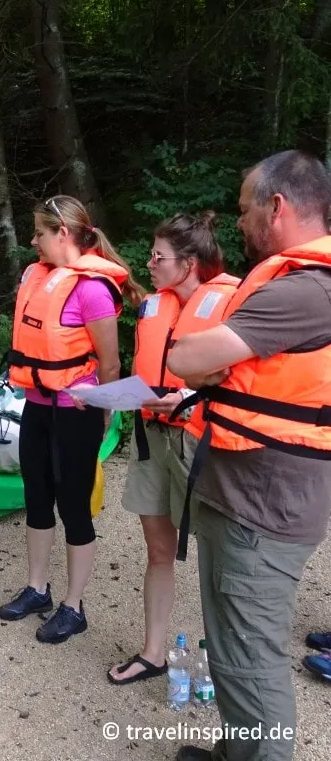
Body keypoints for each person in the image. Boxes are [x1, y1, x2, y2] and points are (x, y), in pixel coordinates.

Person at [166, 150, 331, 761]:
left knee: (251, 660)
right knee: (232, 648)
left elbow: (185, 359)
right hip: (246, 495)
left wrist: (202, 362)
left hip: (263, 510)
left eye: (243, 209)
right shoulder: (300, 287)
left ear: (277, 206)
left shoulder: (306, 292)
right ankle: (236, 757)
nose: (238, 222)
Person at [0, 195, 144, 644]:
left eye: (39, 233)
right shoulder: (37, 276)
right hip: (37, 407)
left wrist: (104, 414)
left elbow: (110, 364)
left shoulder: (92, 289)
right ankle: (37, 589)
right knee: (36, 498)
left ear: (62, 234)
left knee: (74, 508)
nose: (33, 241)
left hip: (76, 415)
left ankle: (73, 606)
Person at [107, 211, 239, 685]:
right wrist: (113, 396)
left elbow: (241, 381)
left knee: (223, 561)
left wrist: (187, 398)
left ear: (188, 264)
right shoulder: (153, 306)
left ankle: (231, 667)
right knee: (158, 550)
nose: (149, 263)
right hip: (152, 441)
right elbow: (144, 370)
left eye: (157, 256)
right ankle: (153, 654)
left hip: (201, 444)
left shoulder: (232, 304)